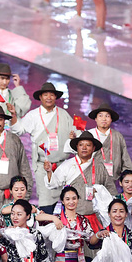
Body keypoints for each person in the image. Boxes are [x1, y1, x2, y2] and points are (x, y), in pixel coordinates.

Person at [10, 82, 80, 213]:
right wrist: (14, 116)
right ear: (40, 97)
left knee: (67, 199)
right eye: (45, 95)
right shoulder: (33, 115)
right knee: (46, 201)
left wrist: (74, 137)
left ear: (56, 97)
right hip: (43, 165)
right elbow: (19, 129)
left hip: (62, 165)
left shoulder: (64, 115)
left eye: (52, 95)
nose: (49, 97)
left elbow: (79, 133)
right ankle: (45, 228)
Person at [45, 130, 117, 234]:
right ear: (76, 147)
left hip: (95, 218)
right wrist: (49, 172)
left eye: (88, 145)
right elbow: (53, 184)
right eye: (81, 145)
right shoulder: (68, 165)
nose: (84, 148)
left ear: (93, 148)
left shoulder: (100, 167)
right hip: (72, 219)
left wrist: (102, 193)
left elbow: (111, 191)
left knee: (95, 247)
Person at [0, 105, 33, 210]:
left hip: (15, 194)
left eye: (0, 119)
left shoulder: (14, 139)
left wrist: (25, 195)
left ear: (5, 121)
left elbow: (24, 167)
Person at [87, 102, 132, 180]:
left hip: (113, 180)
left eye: (107, 116)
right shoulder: (89, 135)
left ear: (111, 119)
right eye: (100, 116)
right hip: (91, 179)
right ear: (96, 119)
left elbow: (125, 158)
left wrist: (127, 177)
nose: (104, 119)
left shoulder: (118, 136)